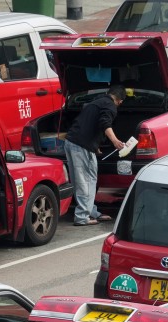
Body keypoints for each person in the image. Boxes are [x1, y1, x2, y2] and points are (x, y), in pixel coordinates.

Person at [65, 84, 128, 226]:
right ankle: (82, 217)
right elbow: (105, 123)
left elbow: (91, 124)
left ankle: (90, 211)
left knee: (82, 180)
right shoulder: (111, 106)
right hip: (81, 146)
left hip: (71, 142)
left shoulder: (96, 101)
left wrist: (96, 146)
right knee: (86, 181)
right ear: (120, 101)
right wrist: (115, 141)